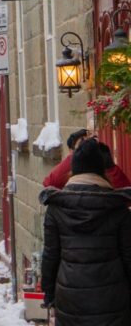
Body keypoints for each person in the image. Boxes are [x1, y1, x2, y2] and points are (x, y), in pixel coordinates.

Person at [40, 139, 131, 325]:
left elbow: (50, 256)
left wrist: (49, 294)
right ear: (101, 169)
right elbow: (128, 255)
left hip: (70, 299)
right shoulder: (117, 206)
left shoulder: (56, 208)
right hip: (112, 300)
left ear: (74, 169)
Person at [42, 129, 131, 189]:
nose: (87, 144)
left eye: (90, 140)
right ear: (71, 151)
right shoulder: (72, 164)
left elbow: (124, 191)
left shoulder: (104, 162)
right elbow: (49, 184)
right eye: (83, 142)